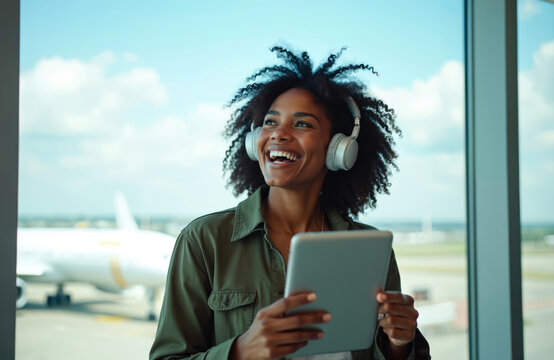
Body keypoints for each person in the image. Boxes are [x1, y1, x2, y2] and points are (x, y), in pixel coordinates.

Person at [149, 46, 431, 360]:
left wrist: (399, 345)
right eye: (270, 123)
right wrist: (239, 352)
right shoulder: (205, 241)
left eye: (302, 124)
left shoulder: (370, 250)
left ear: (339, 149)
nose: (278, 134)